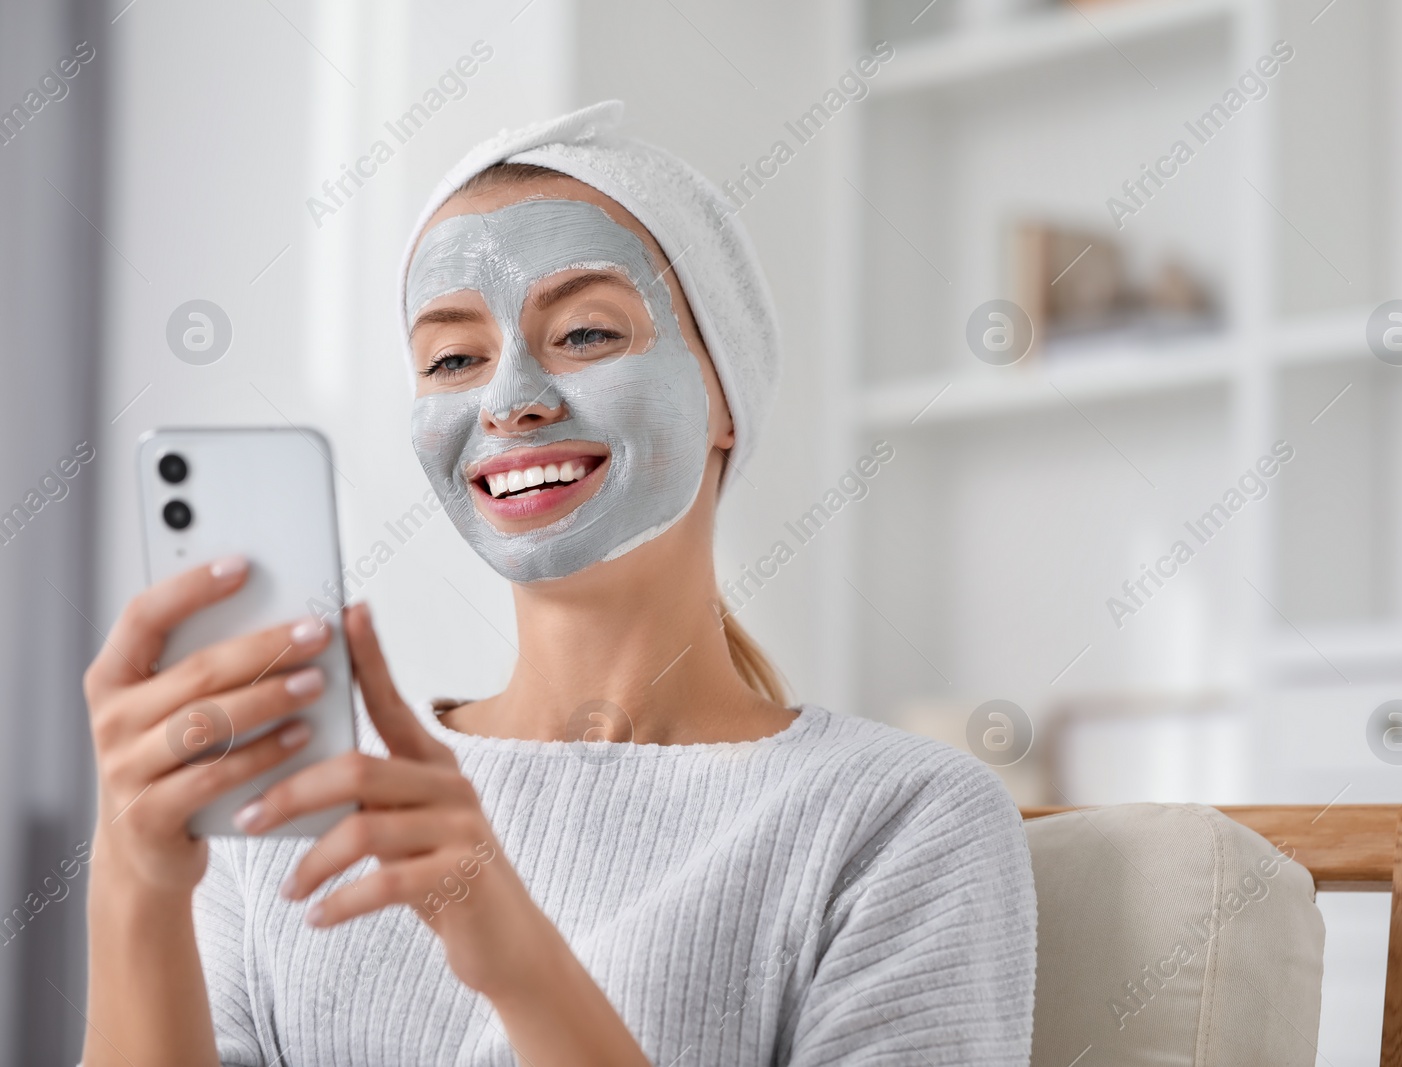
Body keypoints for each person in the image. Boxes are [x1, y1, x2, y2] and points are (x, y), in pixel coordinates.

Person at [80, 100, 1036, 1066]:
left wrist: (519, 961)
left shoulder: (900, 815)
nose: (507, 402)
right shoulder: (299, 805)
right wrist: (133, 880)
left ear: (725, 397)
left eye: (585, 333)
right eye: (454, 358)